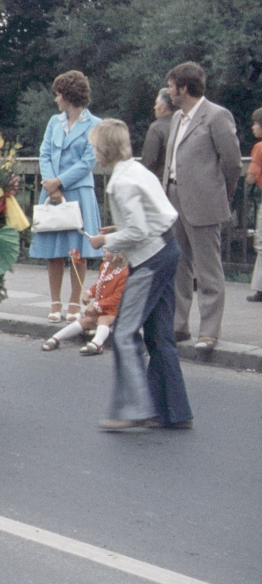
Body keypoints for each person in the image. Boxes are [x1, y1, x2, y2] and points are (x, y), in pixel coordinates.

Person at [86, 119, 191, 431]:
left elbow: (139, 230)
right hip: (167, 250)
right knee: (160, 336)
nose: (93, 152)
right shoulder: (138, 171)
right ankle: (174, 411)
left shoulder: (121, 183)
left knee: (123, 333)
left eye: (94, 146)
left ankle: (133, 408)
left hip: (149, 259)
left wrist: (106, 240)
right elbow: (152, 219)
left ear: (104, 148)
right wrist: (118, 231)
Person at [161, 62, 242, 351]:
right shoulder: (176, 119)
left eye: (171, 86)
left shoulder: (216, 116)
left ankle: (209, 332)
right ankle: (179, 326)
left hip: (203, 200)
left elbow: (232, 163)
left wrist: (221, 194)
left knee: (208, 268)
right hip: (172, 198)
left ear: (184, 88)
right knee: (178, 265)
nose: (168, 91)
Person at [29, 70, 103, 323]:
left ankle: (74, 301)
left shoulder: (95, 124)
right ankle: (55, 302)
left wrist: (61, 181)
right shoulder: (54, 122)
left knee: (76, 250)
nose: (56, 99)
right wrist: (52, 185)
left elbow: (88, 161)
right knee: (53, 250)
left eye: (58, 94)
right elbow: (45, 153)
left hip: (78, 190)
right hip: (52, 192)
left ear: (69, 95)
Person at [42, 249, 128, 355]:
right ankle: (56, 338)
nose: (104, 251)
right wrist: (90, 293)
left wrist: (96, 305)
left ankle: (97, 343)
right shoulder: (105, 266)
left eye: (109, 250)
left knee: (103, 319)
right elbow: (100, 284)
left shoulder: (125, 273)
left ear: (119, 256)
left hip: (120, 311)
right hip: (106, 309)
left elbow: (117, 298)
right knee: (86, 320)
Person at [140, 88, 174, 182]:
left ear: (163, 107)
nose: (154, 107)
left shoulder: (156, 128)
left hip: (161, 184)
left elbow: (149, 161)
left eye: (156, 104)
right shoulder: (183, 124)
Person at [246, 108, 262, 303]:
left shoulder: (259, 148)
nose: (253, 127)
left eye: (256, 123)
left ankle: (260, 287)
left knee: (261, 244)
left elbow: (250, 178)